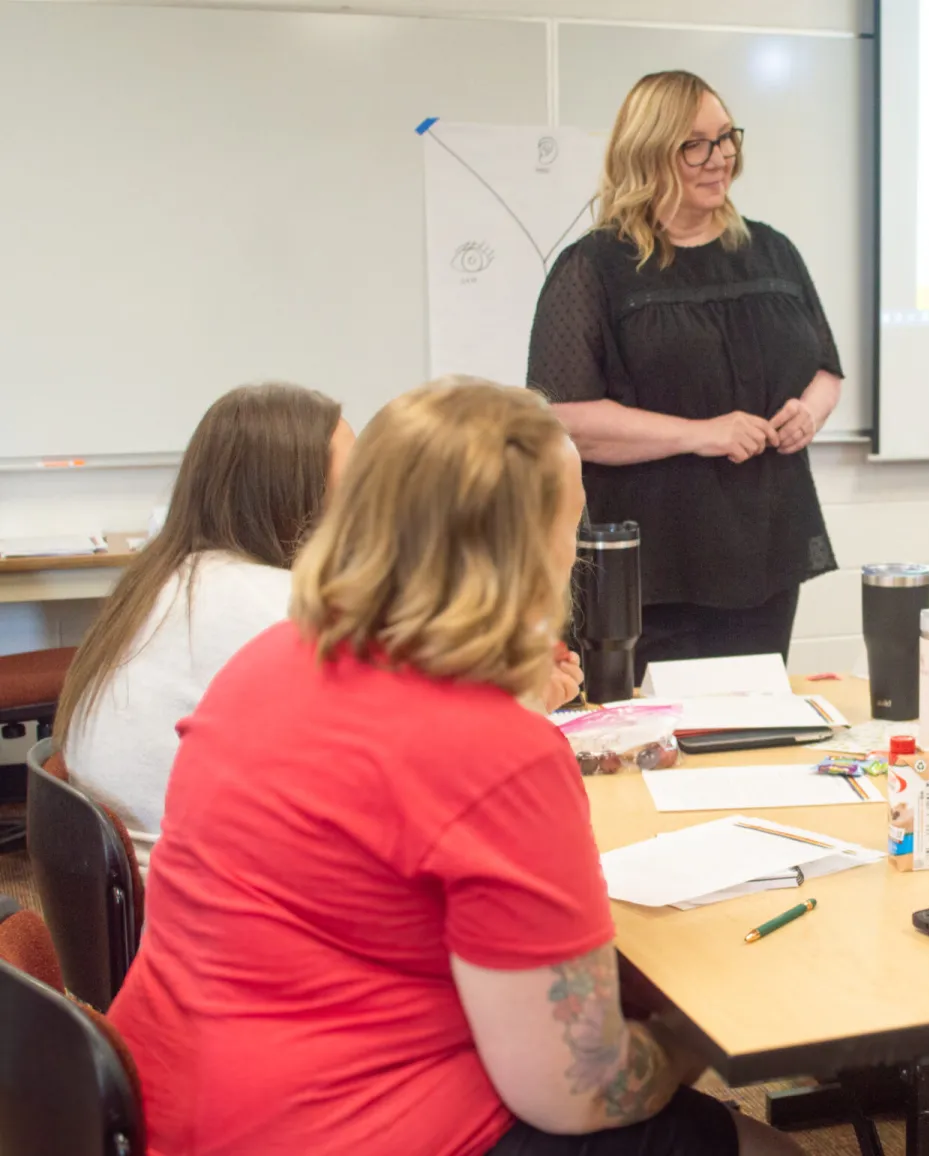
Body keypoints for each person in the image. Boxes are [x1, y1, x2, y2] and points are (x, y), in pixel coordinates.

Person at [108, 381, 800, 1156]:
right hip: (332, 1128)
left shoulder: (274, 656)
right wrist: (696, 1030)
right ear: (536, 547)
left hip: (171, 1107)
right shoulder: (495, 749)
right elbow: (583, 1090)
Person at [527, 70, 839, 675]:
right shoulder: (594, 267)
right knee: (649, 742)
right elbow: (564, 420)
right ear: (647, 154)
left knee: (752, 731)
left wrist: (810, 412)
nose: (719, 158)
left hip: (765, 547)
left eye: (726, 138)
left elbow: (827, 370)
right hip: (650, 566)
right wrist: (702, 433)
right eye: (694, 145)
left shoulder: (773, 251)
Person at [54, 383, 356, 867]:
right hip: (197, 903)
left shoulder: (159, 578)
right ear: (295, 495)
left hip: (120, 891)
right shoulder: (280, 604)